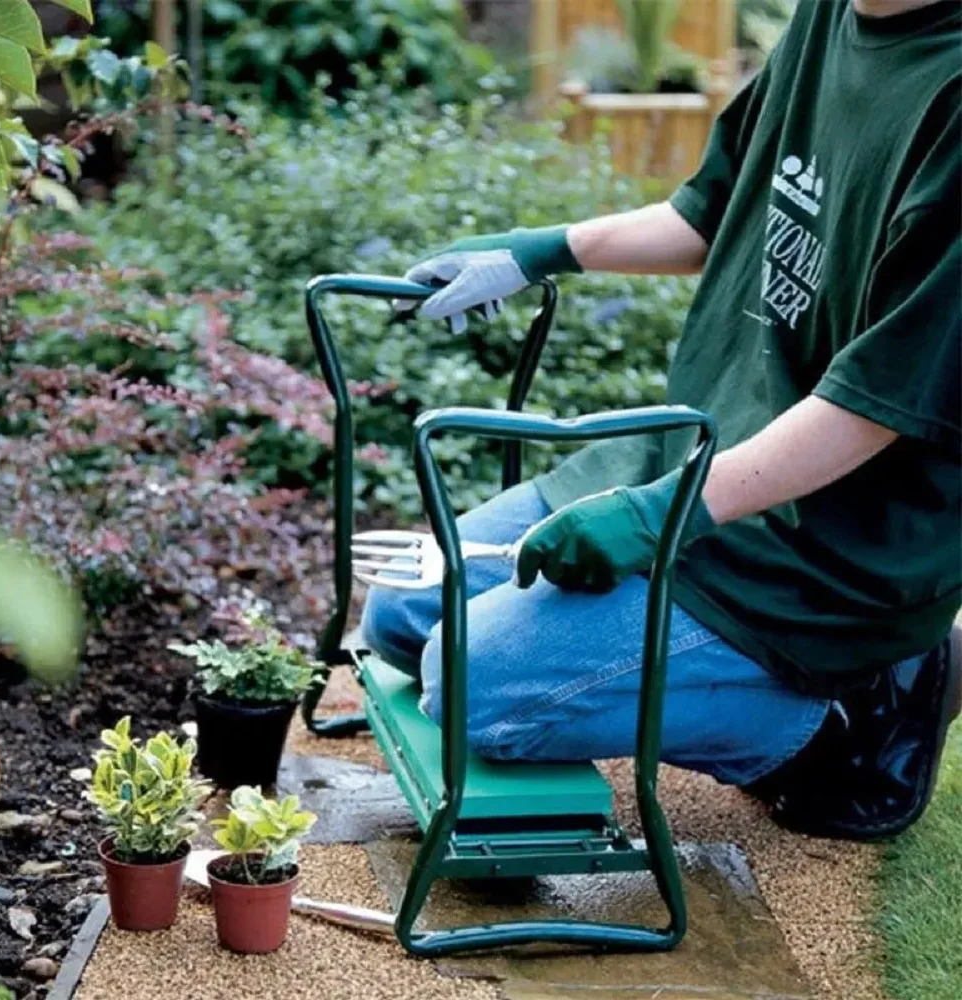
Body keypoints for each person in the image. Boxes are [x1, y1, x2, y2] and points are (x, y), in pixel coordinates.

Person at [361, 0, 961, 831]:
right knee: (401, 614)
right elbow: (710, 212)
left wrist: (660, 517)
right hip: (702, 452)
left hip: (825, 545)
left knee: (470, 686)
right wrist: (538, 251)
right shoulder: (833, 13)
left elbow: (875, 405)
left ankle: (848, 718)